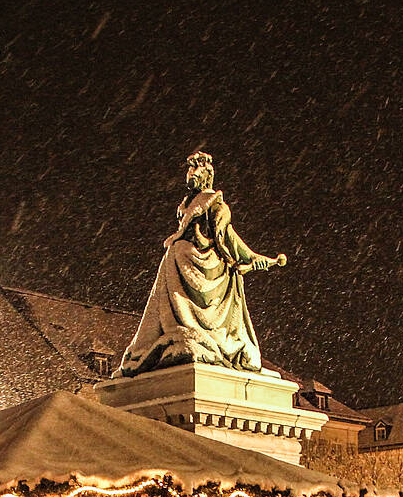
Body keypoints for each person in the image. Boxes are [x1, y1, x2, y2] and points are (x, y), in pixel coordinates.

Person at [119, 151, 287, 376]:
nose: (190, 175)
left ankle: (196, 330)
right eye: (189, 171)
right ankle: (179, 327)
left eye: (194, 171)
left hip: (210, 262)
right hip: (186, 256)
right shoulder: (187, 205)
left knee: (177, 251)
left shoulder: (217, 206)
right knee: (175, 252)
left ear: (206, 176)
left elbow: (229, 239)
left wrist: (256, 259)